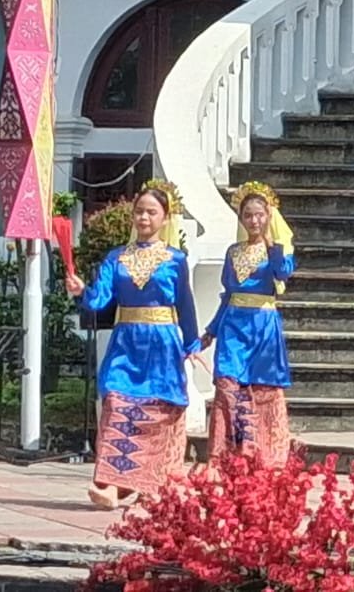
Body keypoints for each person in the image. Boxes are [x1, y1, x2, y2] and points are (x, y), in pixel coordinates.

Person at [65, 179, 202, 510]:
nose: (144, 218)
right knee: (117, 404)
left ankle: (149, 485)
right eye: (139, 211)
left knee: (156, 412)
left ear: (165, 218)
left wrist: (192, 342)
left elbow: (185, 304)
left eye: (151, 212)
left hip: (162, 344)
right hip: (126, 342)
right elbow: (100, 300)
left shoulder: (175, 260)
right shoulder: (116, 258)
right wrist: (81, 291)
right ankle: (111, 484)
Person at [201, 180, 296, 464]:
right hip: (233, 325)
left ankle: (262, 454)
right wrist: (211, 330)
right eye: (248, 215)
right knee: (227, 385)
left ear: (269, 216)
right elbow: (228, 295)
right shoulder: (233, 251)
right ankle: (223, 455)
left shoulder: (277, 250)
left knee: (261, 389)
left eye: (259, 215)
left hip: (263, 326)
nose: (254, 221)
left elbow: (283, 274)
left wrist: (274, 246)